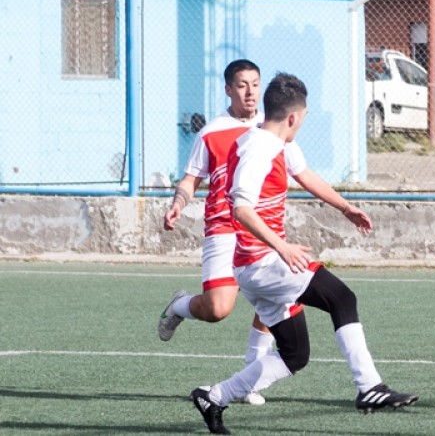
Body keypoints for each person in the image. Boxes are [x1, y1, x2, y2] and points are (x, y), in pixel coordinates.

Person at [190, 72, 418, 434]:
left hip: (255, 266)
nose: (303, 123)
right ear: (293, 117)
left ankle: (214, 396)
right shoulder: (259, 148)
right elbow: (241, 209)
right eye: (304, 117)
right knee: (342, 297)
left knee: (295, 355)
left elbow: (305, 174)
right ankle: (369, 387)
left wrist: (345, 207)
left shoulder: (275, 141)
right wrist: (280, 246)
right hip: (262, 262)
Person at [158, 59, 288, 406]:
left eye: (256, 84)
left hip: (262, 229)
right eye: (242, 85)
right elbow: (190, 180)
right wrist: (178, 203)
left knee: (274, 296)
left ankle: (250, 379)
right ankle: (180, 306)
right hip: (224, 227)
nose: (250, 92)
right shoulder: (211, 132)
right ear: (229, 90)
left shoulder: (271, 128)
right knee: (218, 310)